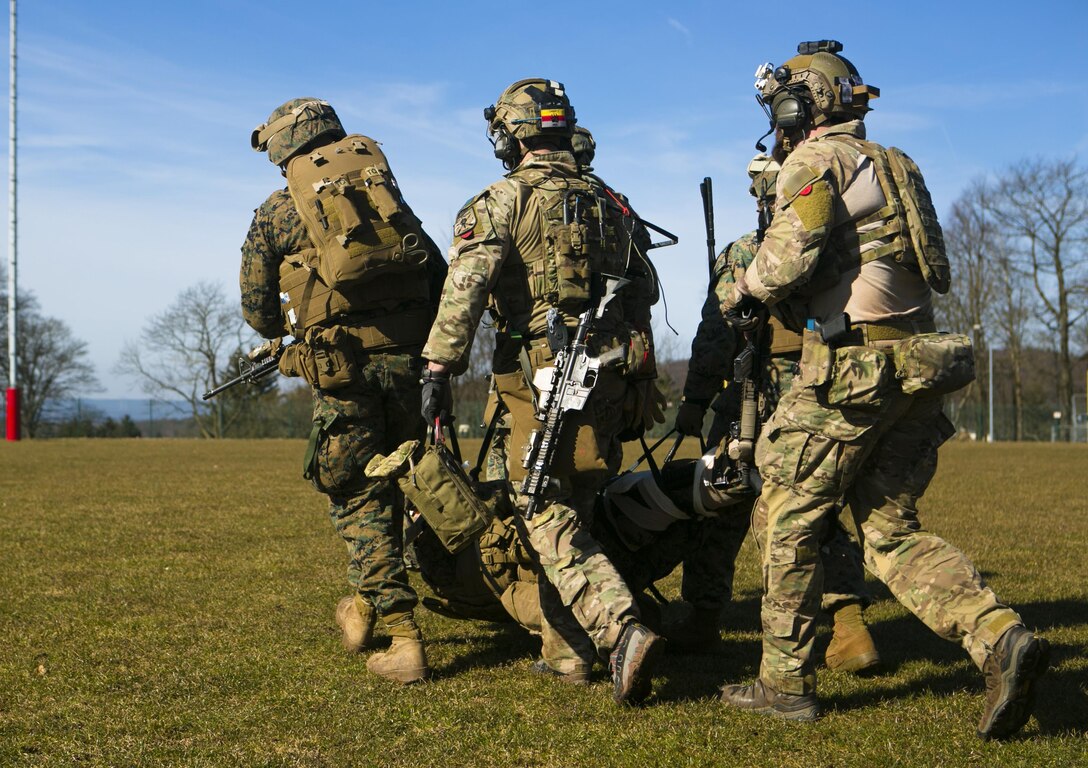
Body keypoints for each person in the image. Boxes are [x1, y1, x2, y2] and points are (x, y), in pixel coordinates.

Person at [717, 42, 1049, 739]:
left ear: (795, 105)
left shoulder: (813, 162)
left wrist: (740, 279)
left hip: (853, 369)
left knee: (786, 514)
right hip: (919, 367)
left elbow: (786, 266)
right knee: (888, 532)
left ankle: (784, 685)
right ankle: (999, 636)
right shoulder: (898, 164)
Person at [419, 79, 664, 704]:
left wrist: (438, 370)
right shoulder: (612, 202)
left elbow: (464, 292)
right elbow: (646, 290)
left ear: (512, 134)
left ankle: (620, 626)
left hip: (541, 375)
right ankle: (567, 653)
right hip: (608, 369)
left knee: (540, 506)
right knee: (577, 501)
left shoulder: (503, 199)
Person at [242, 98, 447, 684]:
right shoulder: (386, 198)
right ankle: (361, 608)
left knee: (357, 495)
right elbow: (436, 274)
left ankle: (404, 638)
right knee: (409, 485)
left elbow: (258, 312)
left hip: (343, 378)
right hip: (413, 369)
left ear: (282, 150)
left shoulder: (277, 214)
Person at [672, 156, 880, 669]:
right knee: (819, 509)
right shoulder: (839, 248)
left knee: (720, 503)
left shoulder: (747, 251)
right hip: (821, 392)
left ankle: (701, 616)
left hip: (756, 395)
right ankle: (849, 626)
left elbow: (717, 334)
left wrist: (695, 402)